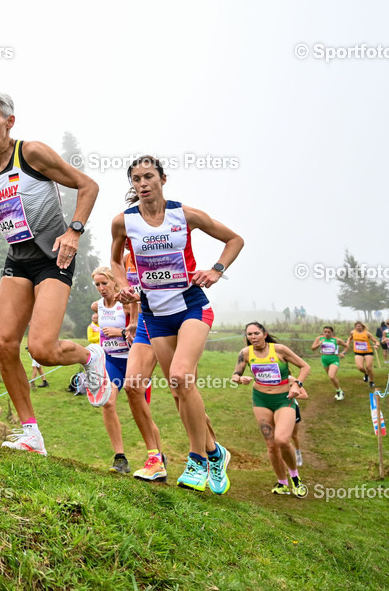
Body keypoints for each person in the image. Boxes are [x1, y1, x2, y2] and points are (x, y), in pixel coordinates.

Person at [0, 91, 105, 457]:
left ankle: (89, 357)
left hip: (54, 258)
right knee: (4, 345)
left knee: (42, 349)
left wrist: (75, 230)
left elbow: (88, 186)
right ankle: (31, 433)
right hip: (18, 260)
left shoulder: (31, 153)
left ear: (9, 122)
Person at [110, 155, 244, 493]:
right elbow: (115, 260)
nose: (142, 184)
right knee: (178, 390)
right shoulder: (123, 222)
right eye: (136, 179)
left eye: (148, 177)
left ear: (162, 179)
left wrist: (217, 269)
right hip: (155, 315)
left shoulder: (184, 215)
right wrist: (123, 285)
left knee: (181, 377)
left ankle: (197, 460)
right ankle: (216, 453)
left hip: (191, 307)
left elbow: (234, 240)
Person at [92, 266, 161, 474]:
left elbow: (139, 330)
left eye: (104, 283)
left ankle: (158, 457)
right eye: (97, 284)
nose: (101, 288)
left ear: (115, 282)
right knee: (108, 401)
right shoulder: (97, 306)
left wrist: (119, 332)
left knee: (143, 413)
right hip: (112, 361)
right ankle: (120, 458)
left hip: (133, 361)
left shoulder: (128, 305)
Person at [232, 322, 310, 497]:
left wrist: (297, 385)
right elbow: (235, 374)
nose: (253, 337)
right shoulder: (245, 353)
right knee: (271, 445)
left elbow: (305, 366)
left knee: (282, 440)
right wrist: (239, 379)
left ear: (264, 334)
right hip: (261, 400)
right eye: (249, 334)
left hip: (284, 399)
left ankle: (295, 479)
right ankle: (282, 483)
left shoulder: (280, 350)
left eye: (256, 333)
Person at [310, 326, 347, 400]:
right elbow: (312, 348)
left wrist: (343, 353)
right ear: (323, 332)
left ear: (332, 332)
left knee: (331, 376)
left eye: (329, 332)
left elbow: (346, 346)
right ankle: (339, 390)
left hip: (334, 359)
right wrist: (319, 344)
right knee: (332, 378)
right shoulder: (319, 338)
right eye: (325, 332)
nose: (327, 333)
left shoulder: (336, 340)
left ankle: (339, 392)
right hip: (324, 360)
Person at [345, 322, 377, 388]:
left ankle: (371, 382)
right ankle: (366, 374)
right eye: (356, 326)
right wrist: (347, 343)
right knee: (360, 367)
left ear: (362, 326)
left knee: (368, 367)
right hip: (358, 352)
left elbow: (375, 341)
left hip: (368, 352)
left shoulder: (367, 333)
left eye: (359, 326)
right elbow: (350, 338)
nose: (358, 327)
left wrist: (377, 345)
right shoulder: (353, 332)